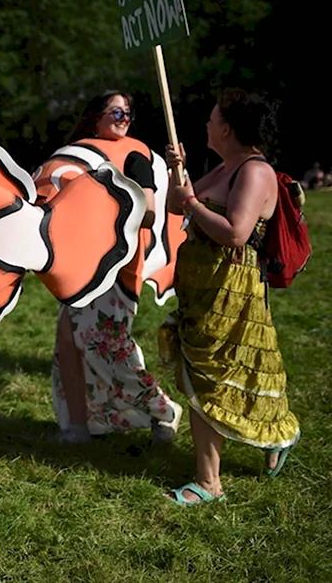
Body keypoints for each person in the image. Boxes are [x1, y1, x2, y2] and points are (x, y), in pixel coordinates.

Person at [160, 89, 300, 505]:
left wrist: (192, 204)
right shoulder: (226, 166)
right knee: (220, 375)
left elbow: (236, 232)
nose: (206, 124)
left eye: (211, 118)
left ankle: (208, 484)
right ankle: (276, 437)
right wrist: (177, 172)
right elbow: (175, 204)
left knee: (218, 376)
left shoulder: (256, 172)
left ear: (227, 128)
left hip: (232, 292)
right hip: (202, 287)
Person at [41, 91, 183, 445]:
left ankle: (164, 409)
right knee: (68, 344)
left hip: (118, 266)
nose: (124, 118)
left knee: (105, 346)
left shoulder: (137, 155)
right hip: (79, 263)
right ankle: (78, 425)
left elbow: (149, 213)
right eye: (116, 111)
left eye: (128, 113)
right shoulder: (77, 153)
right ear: (96, 116)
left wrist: (111, 201)